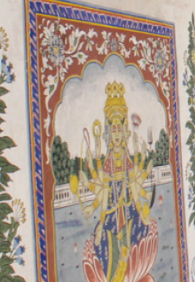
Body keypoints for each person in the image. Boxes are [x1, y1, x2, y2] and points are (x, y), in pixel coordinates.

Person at [73, 81, 159, 282]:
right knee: (105, 249)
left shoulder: (129, 164)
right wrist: (94, 212)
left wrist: (143, 208)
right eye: (113, 130)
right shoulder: (107, 166)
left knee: (136, 241)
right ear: (109, 134)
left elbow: (136, 190)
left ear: (125, 130)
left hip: (130, 215)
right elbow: (103, 195)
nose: (117, 135)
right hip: (111, 218)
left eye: (120, 129)